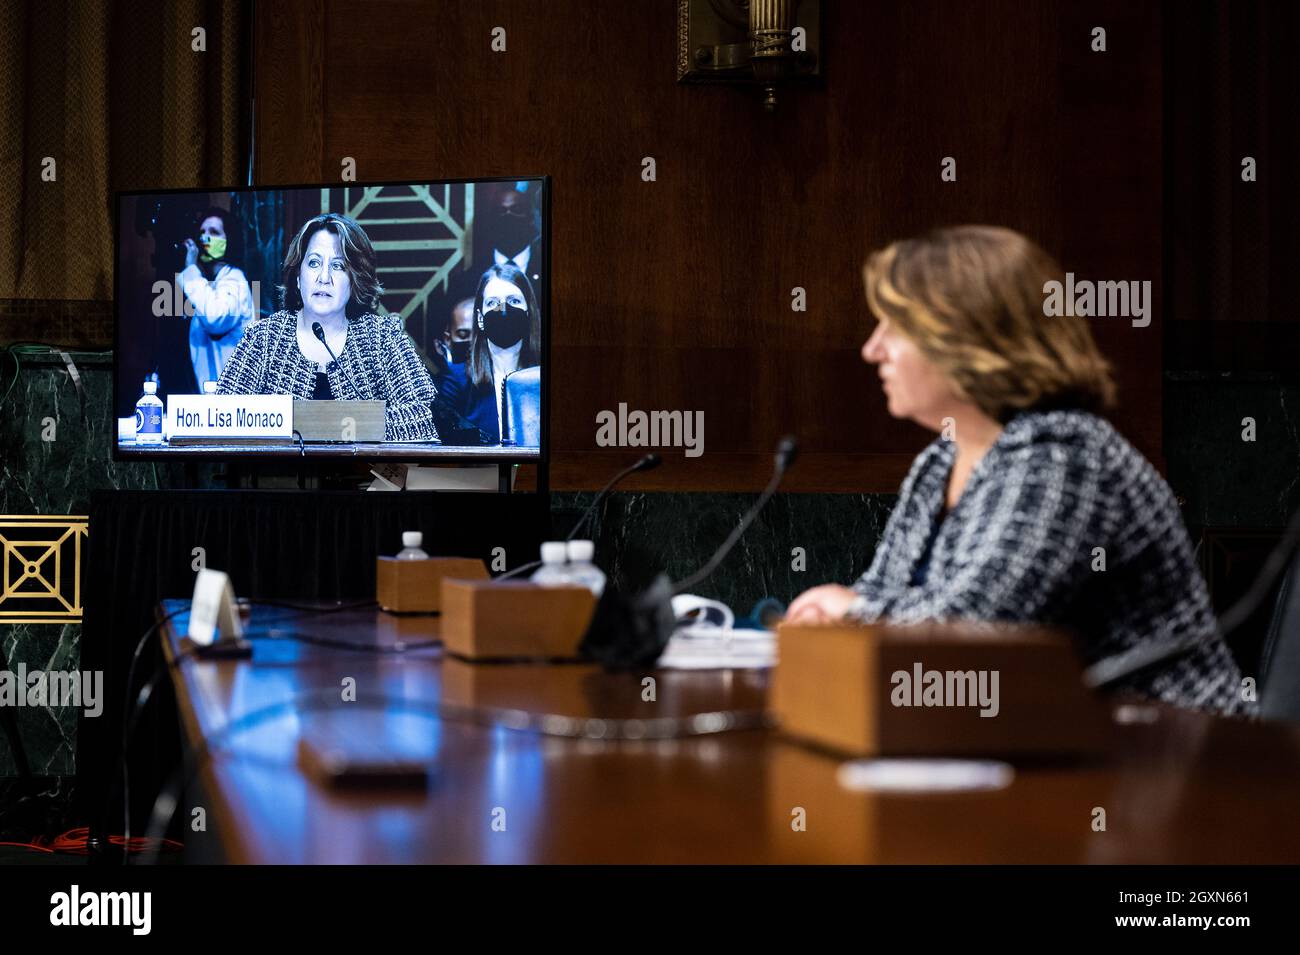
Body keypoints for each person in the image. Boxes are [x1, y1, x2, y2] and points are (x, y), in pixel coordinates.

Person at [785, 225, 1250, 716]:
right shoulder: (941, 459)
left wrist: (850, 612)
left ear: (968, 337)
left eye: (895, 328)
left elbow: (980, 637)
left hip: (1181, 758)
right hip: (1044, 745)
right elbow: (885, 598)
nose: (871, 350)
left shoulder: (1065, 456)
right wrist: (834, 620)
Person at [216, 212, 438, 442]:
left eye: (338, 266)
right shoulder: (264, 338)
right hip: (278, 476)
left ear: (355, 280)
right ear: (299, 276)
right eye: (314, 263)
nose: (324, 277)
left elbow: (422, 417)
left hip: (362, 476)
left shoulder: (382, 337)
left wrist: (323, 424)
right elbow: (222, 418)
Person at [434, 262, 541, 444]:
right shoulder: (456, 381)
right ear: (480, 319)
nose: (503, 309)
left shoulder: (548, 379)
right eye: (493, 303)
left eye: (514, 301)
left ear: (528, 312)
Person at [179, 206, 254, 391]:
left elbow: (215, 318)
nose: (205, 238)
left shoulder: (235, 279)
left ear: (230, 240)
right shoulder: (211, 285)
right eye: (202, 232)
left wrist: (190, 270)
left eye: (214, 232)